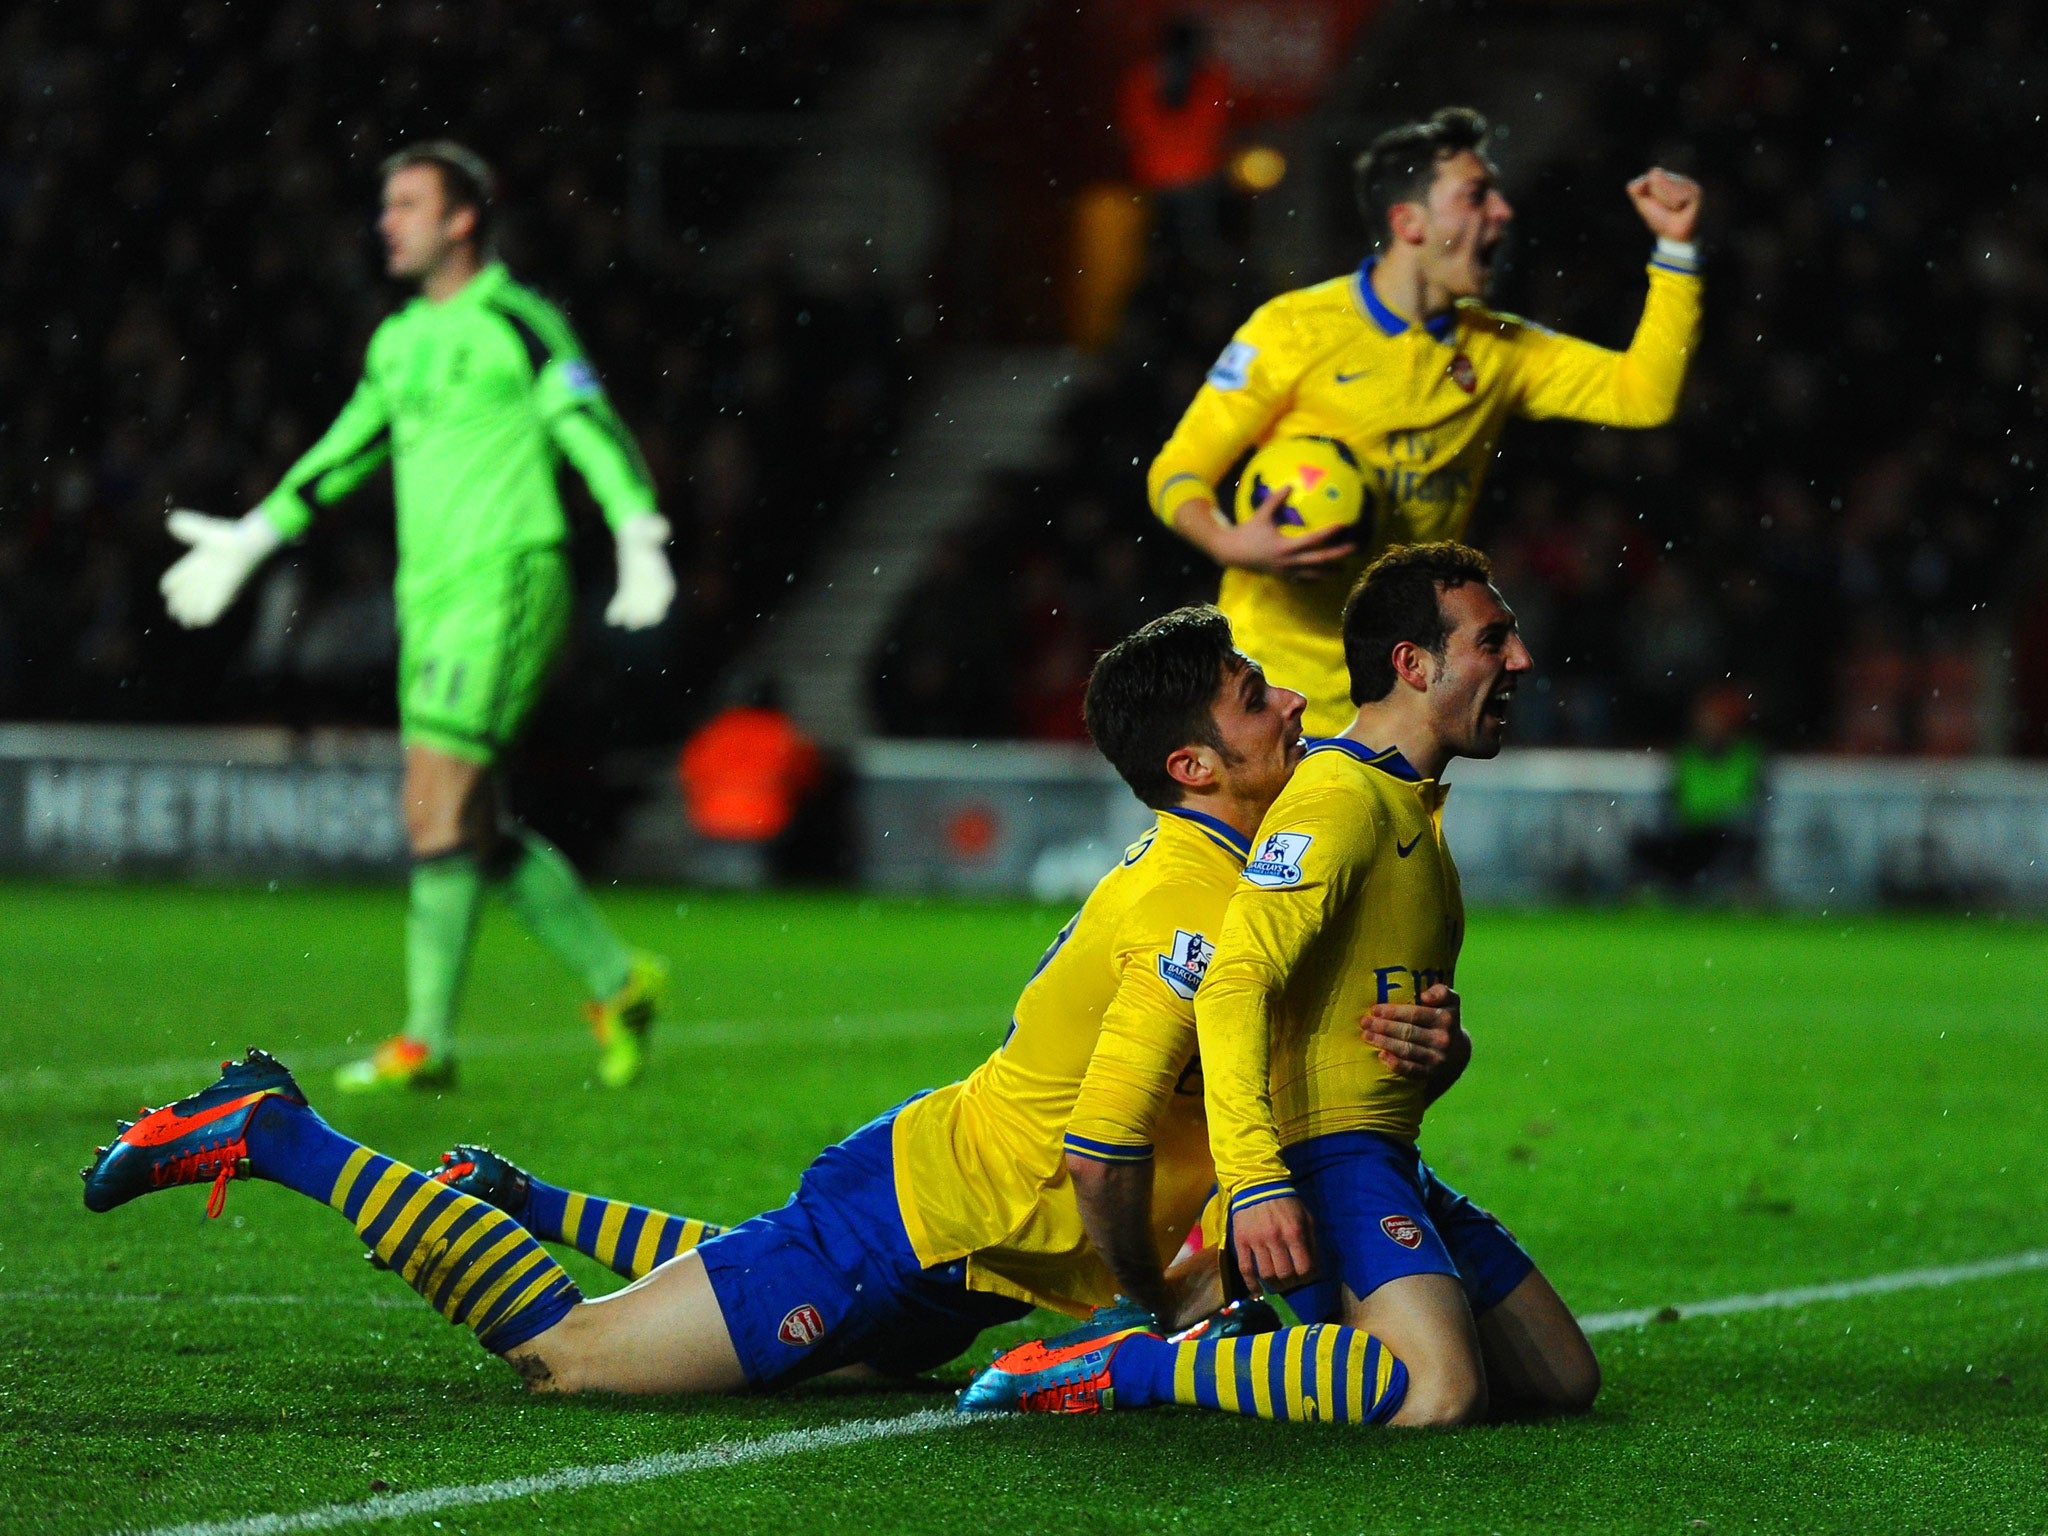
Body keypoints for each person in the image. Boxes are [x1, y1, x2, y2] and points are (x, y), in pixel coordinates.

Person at [84, 607, 1465, 1397]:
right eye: (1251, 695)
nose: (1290, 702)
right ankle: (274, 1132)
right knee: (574, 1358)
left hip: (960, 1259)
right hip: (915, 1225)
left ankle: (525, 1197)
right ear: (1191, 763)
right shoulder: (1182, 907)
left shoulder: (1256, 875)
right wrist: (1147, 1312)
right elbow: (1107, 1145)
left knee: (775, 1303)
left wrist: (1422, 1050)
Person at [962, 542, 1597, 1428]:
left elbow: (1343, 1004)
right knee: (1435, 1391)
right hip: (1324, 1152)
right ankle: (1127, 1365)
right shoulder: (1337, 798)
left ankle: (1223, 1311)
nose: (1521, 661)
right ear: (1413, 664)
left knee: (1564, 1382)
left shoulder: (1404, 802)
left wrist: (1442, 1051)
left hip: (1382, 1149)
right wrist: (1257, 1182)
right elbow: (1232, 984)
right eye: (1496, 641)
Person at [155, 143, 676, 1093]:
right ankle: (616, 978)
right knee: (463, 819)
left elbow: (587, 427)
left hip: (508, 578)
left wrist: (637, 530)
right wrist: (251, 538)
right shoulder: (398, 342)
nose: (386, 223)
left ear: (461, 220)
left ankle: (427, 1042)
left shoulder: (517, 322)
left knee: (436, 800)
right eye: (385, 206)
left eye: (406, 205)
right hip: (429, 595)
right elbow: (345, 451)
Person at [1148, 106, 1703, 735]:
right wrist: (1228, 540)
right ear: (1408, 221)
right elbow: (1178, 471)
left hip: (1403, 698)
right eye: (1476, 195)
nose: (1502, 211)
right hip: (1271, 688)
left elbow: (1644, 395)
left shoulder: (1498, 351)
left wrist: (1676, 248)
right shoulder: (1291, 330)